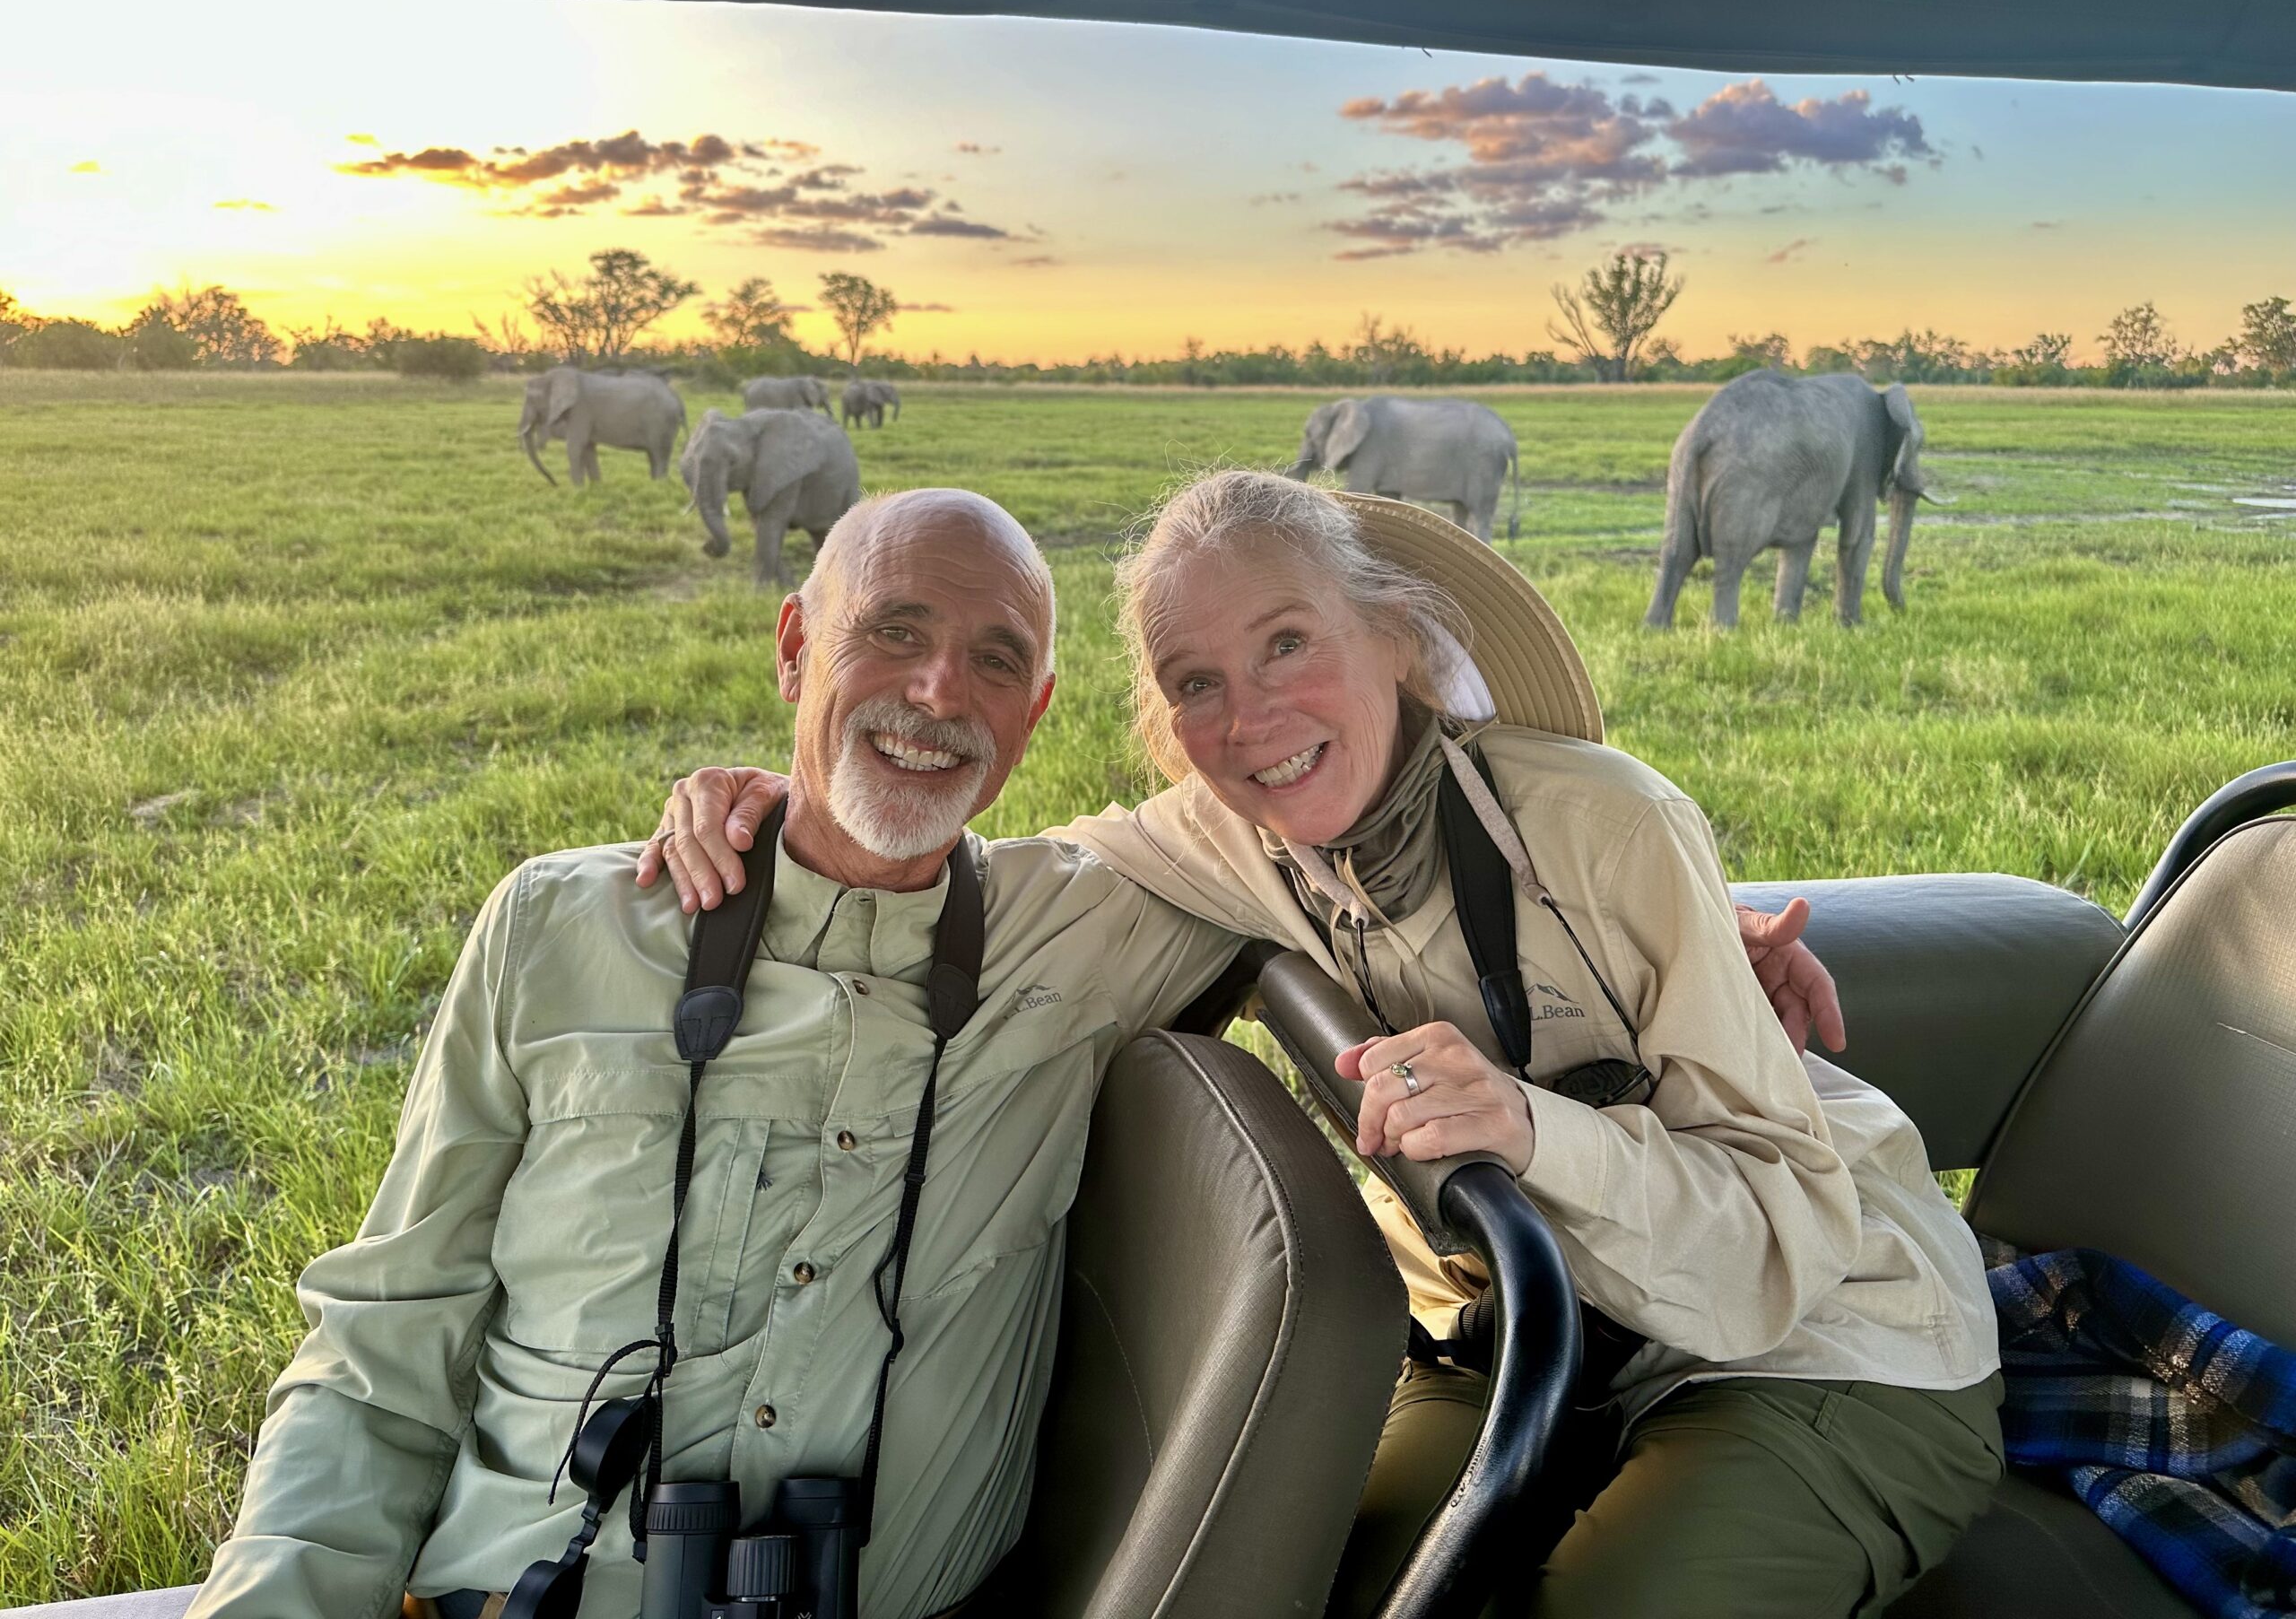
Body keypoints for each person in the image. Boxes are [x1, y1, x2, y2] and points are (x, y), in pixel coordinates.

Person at [647, 472, 2003, 1618]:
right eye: (1198, 683)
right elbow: (968, 873)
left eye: (1288, 644)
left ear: (1396, 640)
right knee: (1327, 1577)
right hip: (1516, 1332)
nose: (1253, 718)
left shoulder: (1613, 831)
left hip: (1826, 1342)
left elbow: (1790, 1236)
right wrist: (788, 806)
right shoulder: (1227, 833)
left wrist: (1531, 1129)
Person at [188, 489, 1244, 1619]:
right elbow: (387, 1334)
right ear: (795, 649)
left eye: (994, 659)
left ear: (1032, 715)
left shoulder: (1087, 930)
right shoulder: (561, 925)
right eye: (893, 631)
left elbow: (1330, 780)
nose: (941, 693)